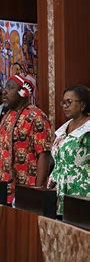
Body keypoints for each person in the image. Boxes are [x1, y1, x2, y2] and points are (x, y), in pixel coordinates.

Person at [0, 74, 53, 204]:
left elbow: (44, 155)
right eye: (5, 87)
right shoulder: (7, 115)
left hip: (26, 190)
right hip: (3, 188)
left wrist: (37, 191)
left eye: (10, 87)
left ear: (23, 92)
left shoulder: (37, 116)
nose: (4, 91)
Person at [47, 85, 90, 215]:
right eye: (63, 102)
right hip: (58, 190)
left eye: (69, 102)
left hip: (81, 192)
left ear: (82, 105)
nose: (65, 106)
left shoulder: (88, 129)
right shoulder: (64, 128)